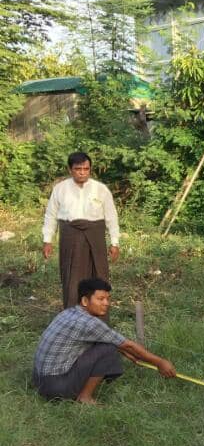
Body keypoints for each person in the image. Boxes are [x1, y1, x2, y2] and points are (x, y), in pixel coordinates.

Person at [32, 278, 176, 404]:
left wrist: (125, 351)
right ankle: (85, 398)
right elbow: (128, 345)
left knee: (110, 345)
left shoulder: (68, 313)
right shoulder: (90, 323)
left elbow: (114, 342)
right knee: (108, 349)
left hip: (39, 381)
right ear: (85, 300)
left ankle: (79, 391)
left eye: (108, 299)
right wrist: (160, 362)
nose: (106, 303)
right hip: (56, 387)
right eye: (101, 299)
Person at [43, 152, 120, 308]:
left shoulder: (101, 189)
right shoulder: (60, 189)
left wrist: (115, 242)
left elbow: (112, 217)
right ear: (70, 169)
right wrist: (47, 240)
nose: (82, 172)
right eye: (78, 169)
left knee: (99, 275)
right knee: (71, 278)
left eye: (86, 169)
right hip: (70, 236)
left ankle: (98, 317)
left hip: (95, 236)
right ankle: (72, 316)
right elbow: (50, 215)